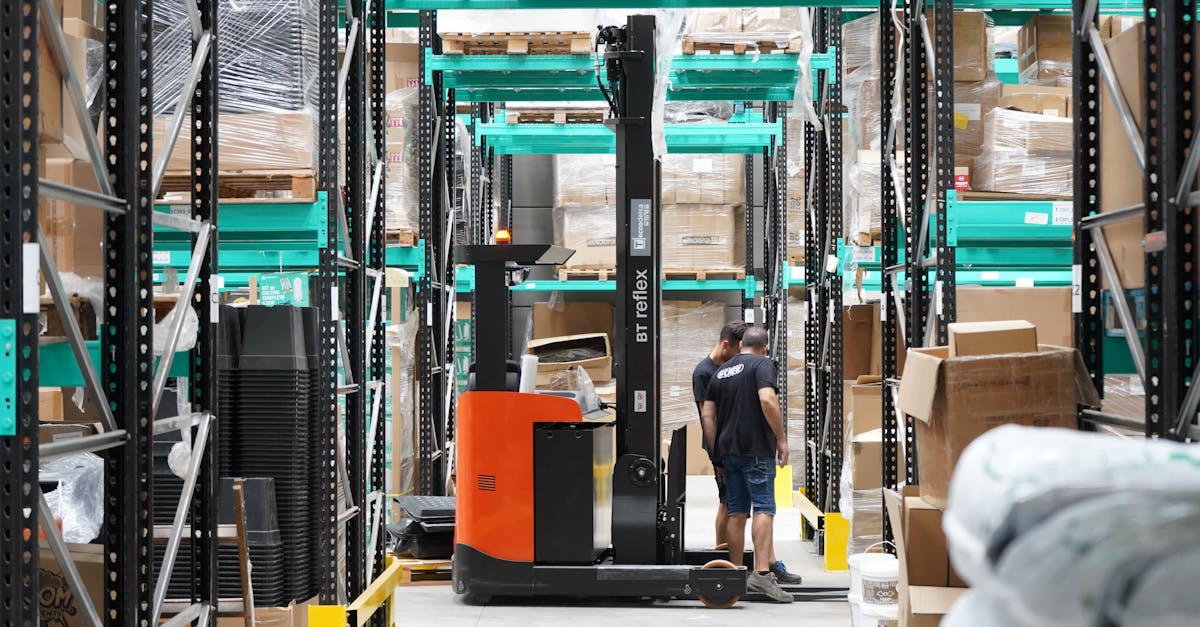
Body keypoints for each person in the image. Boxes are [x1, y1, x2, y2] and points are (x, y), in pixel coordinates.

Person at [700, 326, 794, 603]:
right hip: (755, 449)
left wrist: (717, 452)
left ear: (740, 346)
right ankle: (762, 576)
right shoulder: (763, 365)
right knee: (764, 508)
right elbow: (767, 399)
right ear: (764, 347)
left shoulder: (721, 371)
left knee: (737, 512)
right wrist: (781, 439)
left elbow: (708, 416)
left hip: (728, 451)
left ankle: (736, 572)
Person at [692, 321, 747, 550]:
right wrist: (718, 457)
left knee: (736, 502)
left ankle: (730, 551)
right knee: (727, 501)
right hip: (720, 447)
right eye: (738, 350)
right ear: (726, 345)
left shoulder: (732, 367)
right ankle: (722, 554)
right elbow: (708, 418)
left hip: (736, 443)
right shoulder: (704, 373)